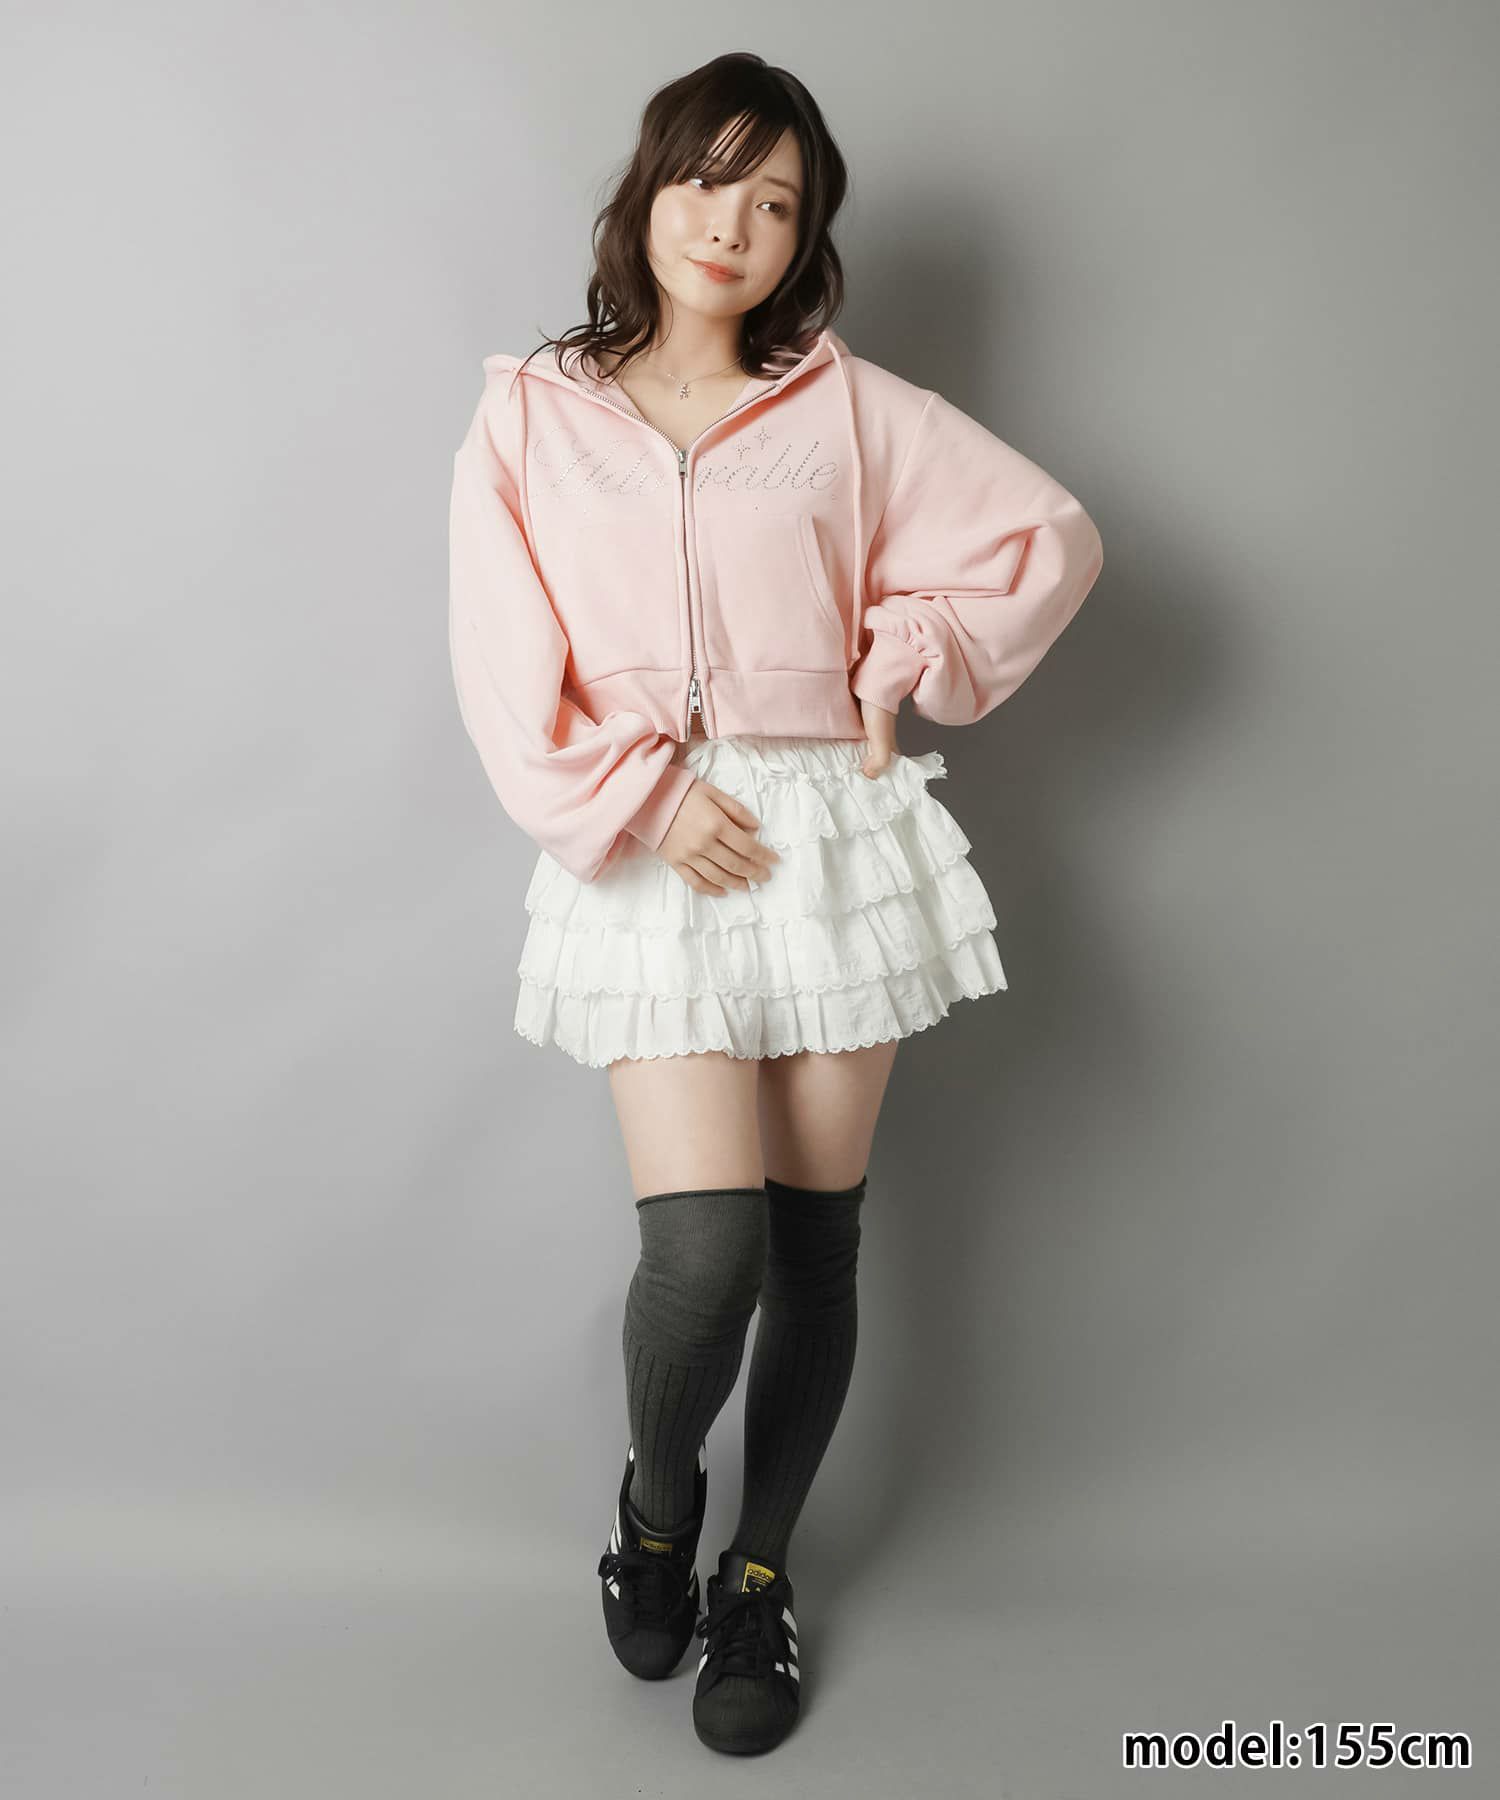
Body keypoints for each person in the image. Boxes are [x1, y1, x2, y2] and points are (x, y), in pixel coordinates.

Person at [448, 51, 1103, 1757]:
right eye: (705, 177)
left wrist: (911, 647)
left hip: (827, 836)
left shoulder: (849, 408)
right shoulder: (532, 411)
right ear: (646, 189)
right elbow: (505, 671)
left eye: (776, 199)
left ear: (806, 237)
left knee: (816, 1241)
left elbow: (1045, 537)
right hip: (651, 837)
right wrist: (648, 797)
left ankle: (759, 1576)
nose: (731, 222)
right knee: (707, 1246)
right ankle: (658, 1507)